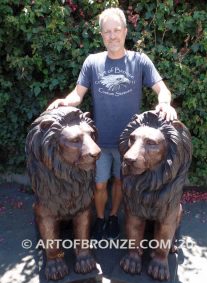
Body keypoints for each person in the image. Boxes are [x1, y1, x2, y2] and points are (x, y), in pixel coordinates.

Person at [47, 7, 177, 240]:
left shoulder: (140, 61)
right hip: (99, 142)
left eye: (117, 30)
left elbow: (162, 90)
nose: (112, 35)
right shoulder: (92, 62)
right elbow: (77, 95)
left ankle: (114, 216)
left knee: (119, 182)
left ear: (125, 31)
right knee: (99, 185)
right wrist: (64, 103)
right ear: (101, 35)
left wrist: (165, 103)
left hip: (129, 145)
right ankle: (99, 218)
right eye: (107, 31)